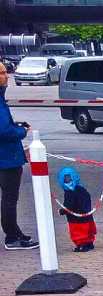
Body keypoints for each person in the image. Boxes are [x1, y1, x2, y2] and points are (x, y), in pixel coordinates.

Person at [0, 62, 38, 251]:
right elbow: (3, 130)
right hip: (6, 158)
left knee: (8, 198)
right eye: (2, 73)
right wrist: (21, 131)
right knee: (9, 198)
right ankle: (12, 237)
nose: (7, 76)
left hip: (7, 157)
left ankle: (14, 232)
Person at [57, 167, 97, 252]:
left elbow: (69, 205)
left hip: (76, 219)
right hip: (87, 215)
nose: (68, 182)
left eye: (69, 179)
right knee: (88, 231)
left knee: (78, 232)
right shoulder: (81, 189)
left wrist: (62, 211)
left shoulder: (69, 192)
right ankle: (89, 243)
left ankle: (82, 245)